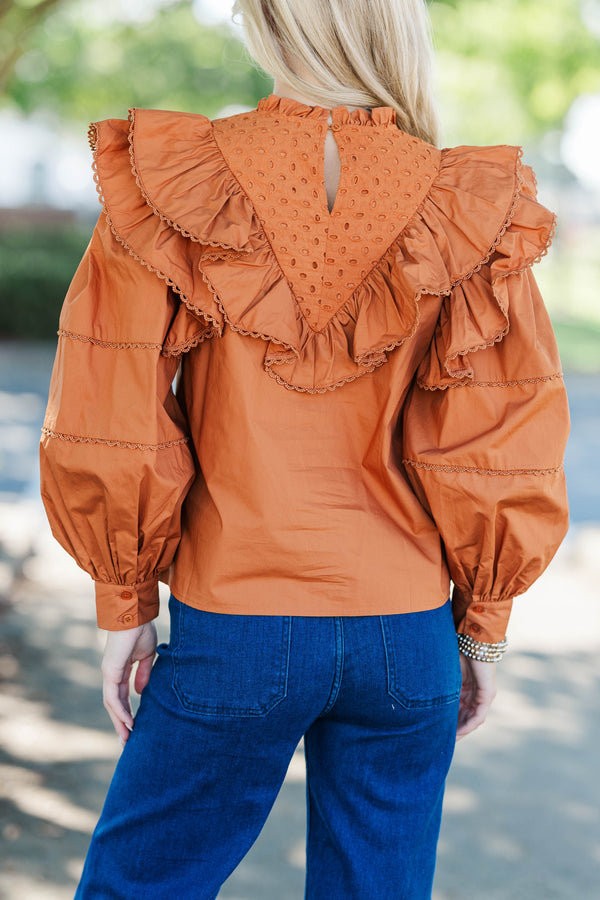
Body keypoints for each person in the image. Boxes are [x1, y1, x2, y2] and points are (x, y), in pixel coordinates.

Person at [39, 0, 570, 897]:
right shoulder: (469, 202)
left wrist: (122, 602)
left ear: (267, 26)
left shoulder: (170, 179)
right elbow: (495, 442)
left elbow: (112, 409)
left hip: (235, 624)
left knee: (137, 886)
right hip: (407, 639)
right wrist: (480, 630)